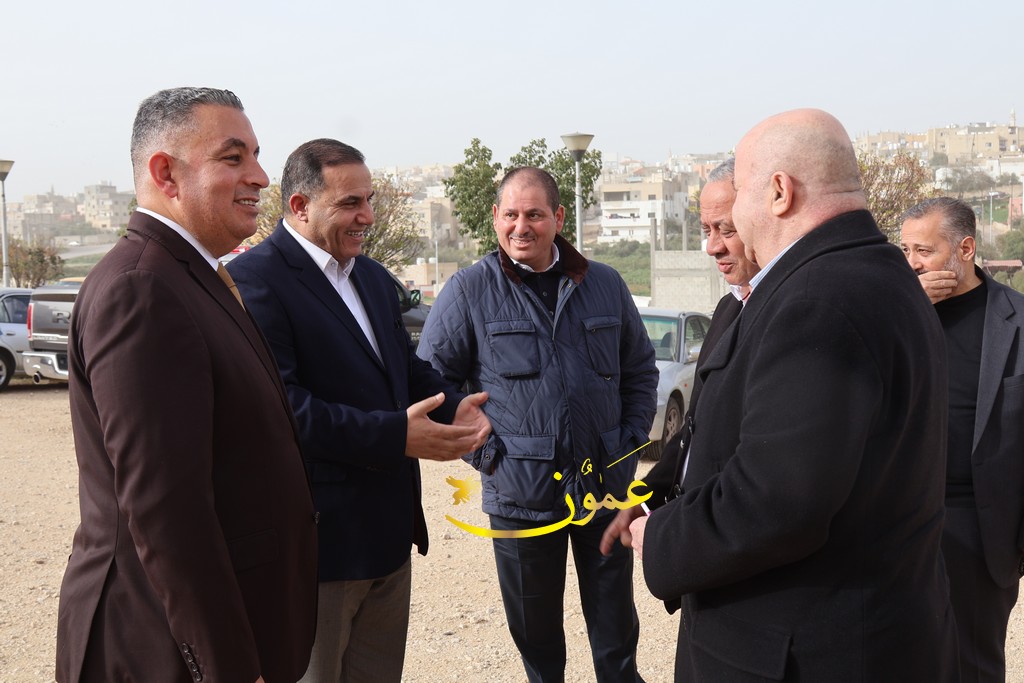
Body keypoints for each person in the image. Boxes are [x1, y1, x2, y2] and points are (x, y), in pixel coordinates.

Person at [630, 109, 958, 681]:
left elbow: (776, 501)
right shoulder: (876, 274)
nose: (733, 219)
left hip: (805, 652)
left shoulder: (817, 300)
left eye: (740, 196)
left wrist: (659, 537)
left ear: (780, 192)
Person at [55, 87, 317, 683]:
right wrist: (228, 666)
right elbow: (166, 511)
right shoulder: (142, 289)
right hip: (160, 648)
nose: (260, 176)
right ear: (165, 174)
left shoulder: (190, 276)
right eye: (233, 157)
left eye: (256, 155)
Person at [228, 138, 490, 683]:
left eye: (368, 200)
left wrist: (453, 406)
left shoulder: (369, 276)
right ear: (300, 206)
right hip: (319, 549)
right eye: (350, 203)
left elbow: (403, 369)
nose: (367, 216)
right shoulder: (254, 282)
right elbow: (284, 410)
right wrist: (397, 436)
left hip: (389, 539)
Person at [417, 167, 658, 683]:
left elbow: (640, 370)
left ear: (559, 217)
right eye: (510, 214)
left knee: (617, 633)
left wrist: (628, 446)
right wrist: (488, 457)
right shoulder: (468, 291)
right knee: (538, 640)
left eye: (534, 214)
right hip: (520, 496)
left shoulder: (605, 284)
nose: (520, 226)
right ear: (495, 218)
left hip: (603, 488)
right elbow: (432, 386)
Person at [600, 158, 759, 570]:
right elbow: (694, 429)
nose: (713, 246)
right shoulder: (727, 309)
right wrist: (644, 497)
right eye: (707, 231)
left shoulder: (787, 313)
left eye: (727, 230)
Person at [901, 196, 1024, 682]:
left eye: (924, 250)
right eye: (906, 250)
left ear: (965, 249)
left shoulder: (1017, 320)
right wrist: (909, 307)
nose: (912, 262)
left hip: (979, 530)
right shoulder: (896, 314)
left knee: (972, 666)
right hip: (896, 523)